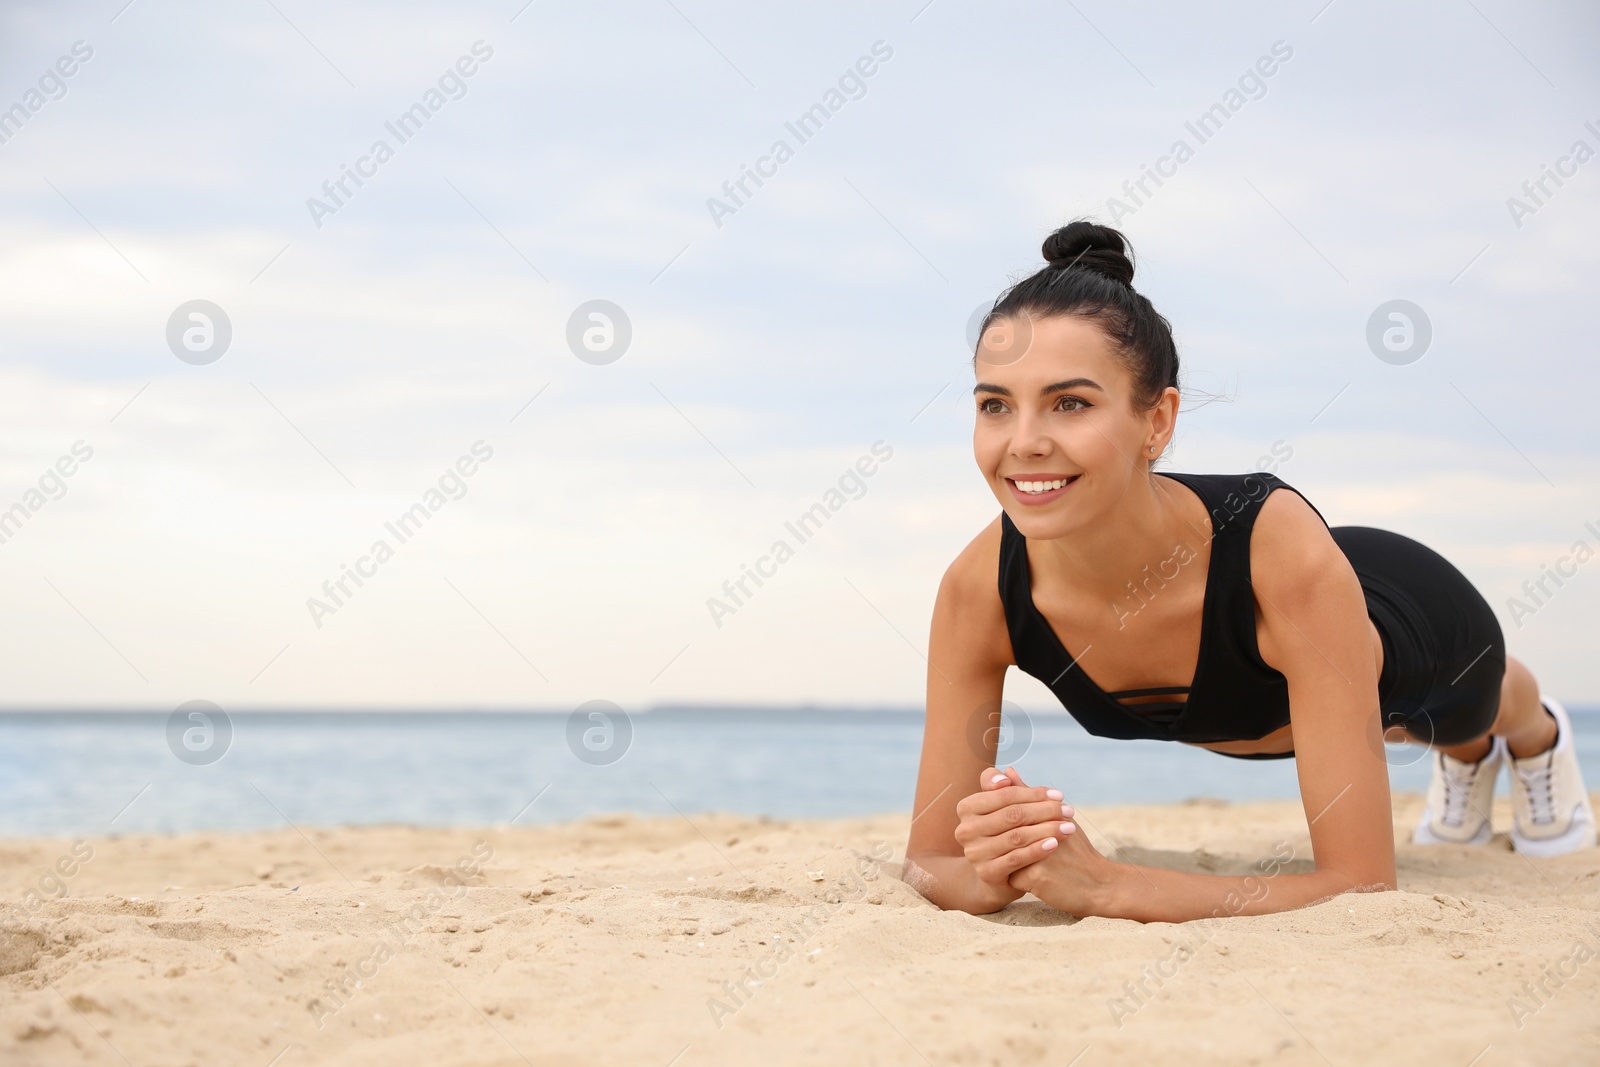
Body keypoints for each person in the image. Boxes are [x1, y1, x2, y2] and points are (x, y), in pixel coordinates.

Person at [901, 221, 1595, 922]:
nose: (1024, 443)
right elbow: (929, 861)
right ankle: (1471, 763)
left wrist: (1109, 886)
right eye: (995, 404)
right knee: (1386, 727)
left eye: (1071, 402)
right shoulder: (978, 589)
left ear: (1158, 422)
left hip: (1411, 616)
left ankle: (1532, 734)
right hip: (1303, 627)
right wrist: (995, 873)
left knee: (1465, 713)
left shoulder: (1279, 552)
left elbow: (1360, 885)